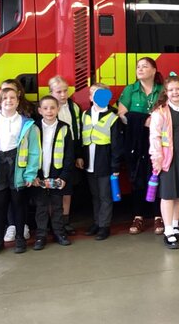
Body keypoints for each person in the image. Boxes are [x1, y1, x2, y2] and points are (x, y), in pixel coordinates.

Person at [0, 87, 41, 255]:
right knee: (0, 206)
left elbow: (34, 151)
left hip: (17, 168)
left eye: (12, 97)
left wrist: (30, 173)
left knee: (19, 205)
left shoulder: (27, 124)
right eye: (5, 98)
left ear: (18, 101)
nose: (9, 101)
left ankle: (20, 238)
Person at [149, 75, 179, 249]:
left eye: (178, 88)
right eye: (171, 90)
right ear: (166, 93)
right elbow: (154, 137)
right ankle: (168, 230)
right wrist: (157, 159)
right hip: (167, 160)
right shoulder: (160, 112)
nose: (175, 92)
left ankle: (175, 225)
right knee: (168, 194)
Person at [117, 57, 164, 235]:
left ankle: (158, 216)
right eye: (138, 67)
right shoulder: (130, 89)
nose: (140, 69)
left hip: (158, 138)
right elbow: (122, 114)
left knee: (157, 175)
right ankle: (138, 216)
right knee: (137, 178)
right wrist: (143, 120)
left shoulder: (162, 90)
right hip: (136, 139)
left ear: (154, 70)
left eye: (145, 66)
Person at [81, 84, 123, 240]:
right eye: (93, 94)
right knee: (95, 195)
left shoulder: (112, 117)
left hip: (104, 162)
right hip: (89, 162)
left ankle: (104, 226)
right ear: (90, 97)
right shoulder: (85, 114)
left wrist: (115, 166)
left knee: (105, 196)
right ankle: (97, 222)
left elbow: (117, 145)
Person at [32, 95, 74, 250]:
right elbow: (28, 152)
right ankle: (41, 236)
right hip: (39, 175)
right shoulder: (33, 128)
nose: (49, 111)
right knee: (41, 207)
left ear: (58, 109)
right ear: (40, 111)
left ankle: (59, 232)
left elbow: (69, 155)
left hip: (57, 175)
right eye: (45, 108)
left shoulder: (64, 128)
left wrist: (64, 177)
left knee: (57, 206)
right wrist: (33, 175)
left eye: (52, 108)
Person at [49, 75, 84, 236]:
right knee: (51, 189)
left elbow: (77, 132)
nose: (63, 95)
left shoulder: (74, 107)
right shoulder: (48, 107)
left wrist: (78, 155)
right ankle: (53, 222)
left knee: (67, 189)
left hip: (68, 154)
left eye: (65, 91)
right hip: (51, 156)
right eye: (58, 92)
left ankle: (65, 220)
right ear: (51, 92)